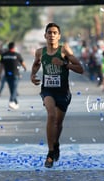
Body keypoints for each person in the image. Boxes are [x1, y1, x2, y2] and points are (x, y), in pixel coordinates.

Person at [30, 23, 83, 168]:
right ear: (45, 35)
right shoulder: (40, 52)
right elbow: (36, 64)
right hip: (48, 90)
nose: (51, 35)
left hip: (63, 92)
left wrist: (64, 64)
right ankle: (50, 152)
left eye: (54, 33)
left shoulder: (64, 49)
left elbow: (80, 69)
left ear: (59, 36)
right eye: (49, 33)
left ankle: (56, 144)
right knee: (51, 115)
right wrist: (32, 75)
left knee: (58, 123)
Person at [0, 42, 27, 109]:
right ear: (14, 47)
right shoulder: (17, 55)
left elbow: (1, 66)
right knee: (14, 88)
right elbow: (22, 63)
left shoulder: (4, 55)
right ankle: (11, 101)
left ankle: (16, 102)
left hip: (7, 74)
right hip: (15, 74)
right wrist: (25, 68)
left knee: (12, 89)